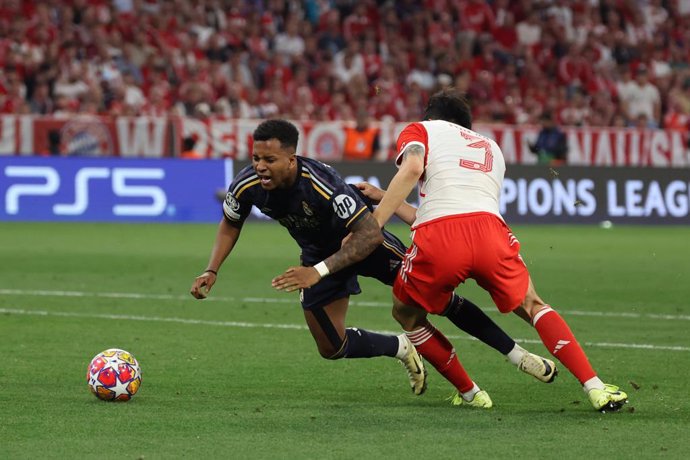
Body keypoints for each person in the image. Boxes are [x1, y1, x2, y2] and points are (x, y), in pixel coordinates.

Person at [191, 119, 558, 401]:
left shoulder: (322, 182)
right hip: (320, 258)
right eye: (256, 158)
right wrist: (212, 269)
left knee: (439, 302)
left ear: (292, 158)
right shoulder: (247, 185)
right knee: (330, 347)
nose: (260, 166)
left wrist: (316, 272)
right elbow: (230, 223)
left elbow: (368, 234)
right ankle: (400, 347)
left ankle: (516, 354)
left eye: (270, 159)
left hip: (369, 245)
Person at [366, 88, 628, 412]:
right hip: (491, 232)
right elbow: (457, 207)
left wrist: (376, 221)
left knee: (406, 312)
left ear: (431, 116)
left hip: (442, 238)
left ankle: (471, 393)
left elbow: (413, 171)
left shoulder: (422, 130)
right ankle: (596, 387)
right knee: (533, 305)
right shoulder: (491, 147)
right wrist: (383, 195)